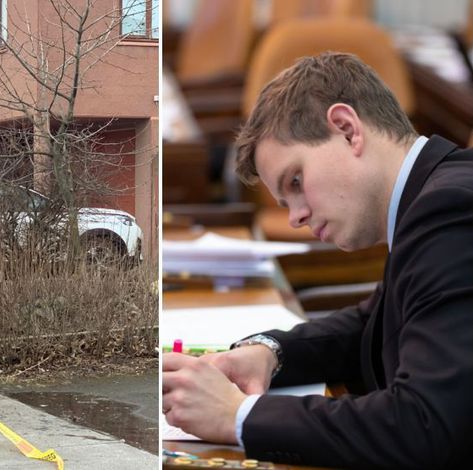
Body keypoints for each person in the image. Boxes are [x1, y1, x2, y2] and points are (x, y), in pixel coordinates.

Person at [162, 52, 473, 468]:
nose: (295, 217)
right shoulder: (430, 198)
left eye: (295, 181)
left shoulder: (449, 210)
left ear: (347, 130)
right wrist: (270, 352)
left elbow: (425, 425)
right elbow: (373, 325)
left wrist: (236, 416)